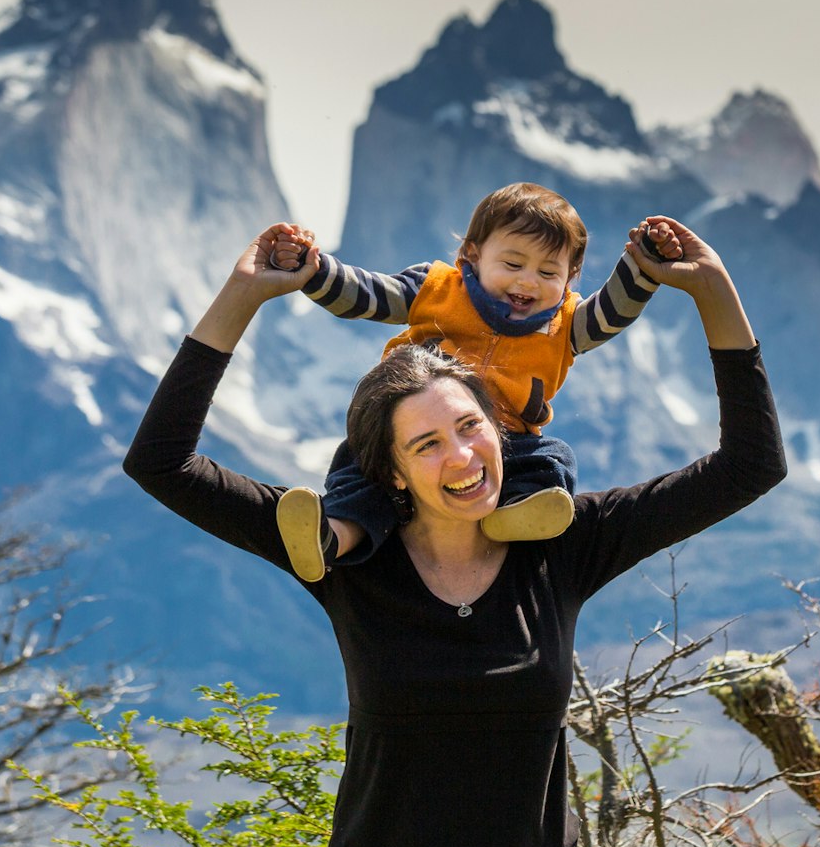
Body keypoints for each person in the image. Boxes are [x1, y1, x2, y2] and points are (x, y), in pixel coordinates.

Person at [122, 216, 784, 847]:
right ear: (394, 471)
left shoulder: (564, 542)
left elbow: (749, 466)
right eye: (427, 444)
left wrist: (713, 291)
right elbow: (161, 464)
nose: (463, 456)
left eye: (472, 427)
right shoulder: (341, 557)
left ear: (502, 432)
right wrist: (243, 296)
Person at [265, 182, 685, 583]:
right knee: (362, 473)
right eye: (513, 264)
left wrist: (642, 264)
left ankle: (515, 512)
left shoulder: (569, 323)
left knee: (552, 460)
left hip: (504, 440)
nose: (527, 282)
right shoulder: (436, 288)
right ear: (472, 255)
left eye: (548, 271)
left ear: (570, 277)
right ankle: (332, 536)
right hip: (407, 430)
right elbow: (367, 295)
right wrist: (314, 269)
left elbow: (614, 312)